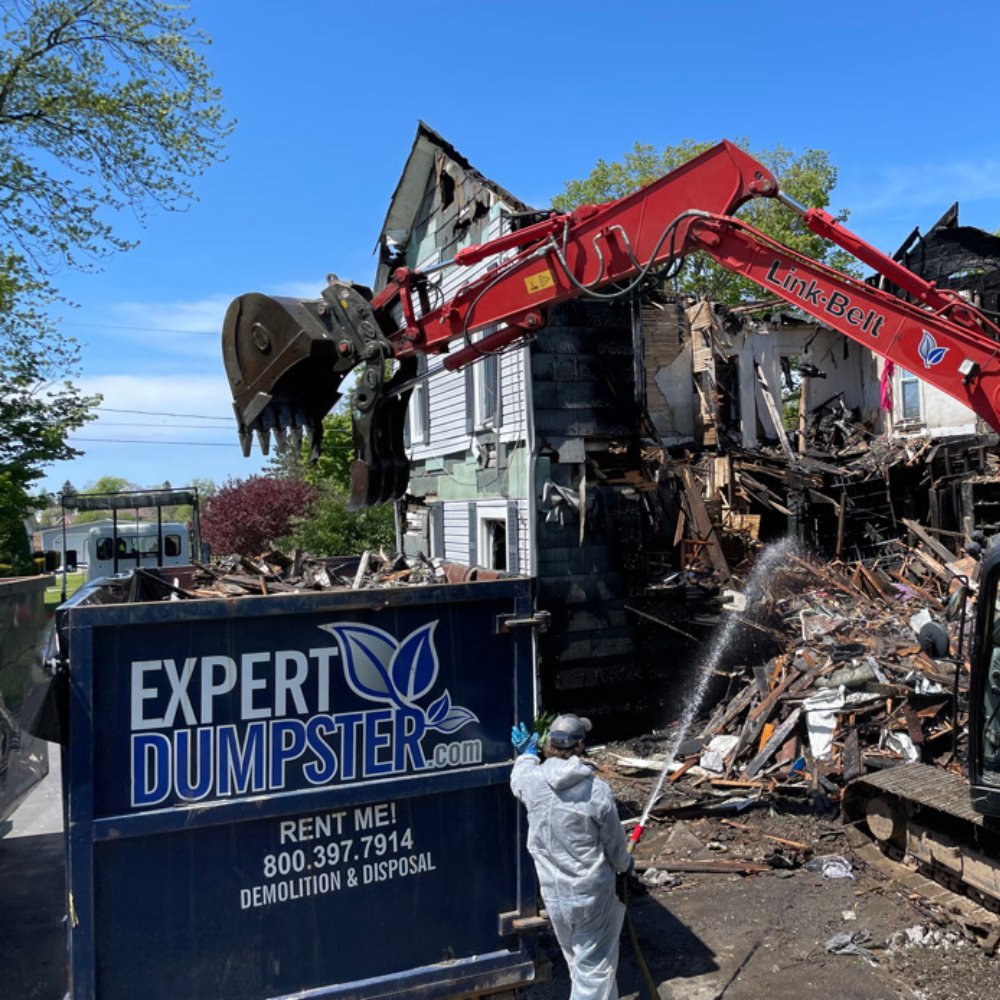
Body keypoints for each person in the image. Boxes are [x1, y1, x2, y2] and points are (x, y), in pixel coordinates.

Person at [509, 714, 632, 1000]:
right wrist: (626, 866)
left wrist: (527, 755)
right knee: (594, 969)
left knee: (580, 963)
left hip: (555, 895)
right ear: (579, 746)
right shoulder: (596, 791)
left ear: (550, 744)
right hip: (591, 896)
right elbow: (615, 847)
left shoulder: (533, 782)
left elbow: (518, 778)